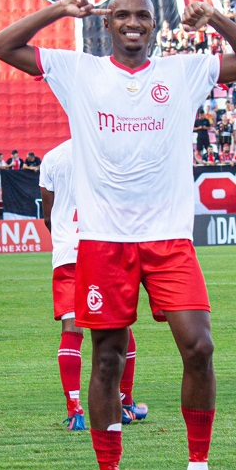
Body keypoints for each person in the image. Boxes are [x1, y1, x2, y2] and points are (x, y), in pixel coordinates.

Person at [0, 0, 236, 470]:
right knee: (107, 360)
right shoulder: (79, 71)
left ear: (155, 25)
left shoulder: (183, 72)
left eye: (143, 15)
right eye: (122, 15)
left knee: (200, 347)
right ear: (108, 24)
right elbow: (1, 46)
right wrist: (59, 10)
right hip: (104, 239)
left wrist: (214, 17)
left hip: (169, 238)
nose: (133, 23)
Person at [40, 139, 148, 431]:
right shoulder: (111, 150)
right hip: (102, 248)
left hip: (67, 253)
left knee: (71, 329)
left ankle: (75, 410)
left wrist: (65, 239)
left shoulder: (52, 157)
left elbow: (48, 217)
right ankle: (125, 404)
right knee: (120, 327)